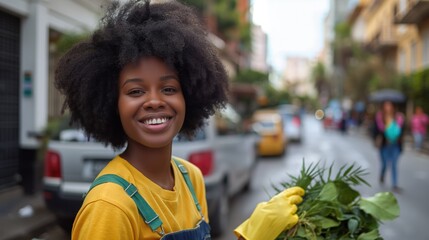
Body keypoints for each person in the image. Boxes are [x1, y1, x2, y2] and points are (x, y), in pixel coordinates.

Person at [55, 1, 304, 239]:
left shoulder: (191, 177)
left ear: (189, 96)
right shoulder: (110, 206)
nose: (154, 101)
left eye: (169, 89)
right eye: (135, 91)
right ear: (111, 104)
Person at [373, 101, 405, 192]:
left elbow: (401, 131)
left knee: (394, 164)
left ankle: (395, 184)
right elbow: (376, 130)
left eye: (390, 105)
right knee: (384, 164)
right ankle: (382, 175)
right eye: (386, 105)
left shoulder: (398, 117)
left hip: (395, 144)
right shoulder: (380, 117)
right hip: (384, 145)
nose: (388, 107)